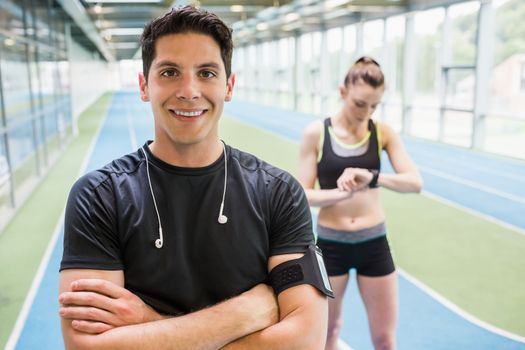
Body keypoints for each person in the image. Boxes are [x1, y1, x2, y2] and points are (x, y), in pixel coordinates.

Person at [58, 6, 330, 350]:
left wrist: (146, 323)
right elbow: (86, 346)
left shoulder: (279, 193)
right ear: (144, 86)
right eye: (170, 72)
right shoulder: (99, 196)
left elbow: (305, 342)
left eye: (206, 73)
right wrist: (244, 314)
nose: (189, 90)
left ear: (228, 86)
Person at [298, 56, 423, 350]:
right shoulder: (317, 133)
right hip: (331, 245)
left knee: (383, 339)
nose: (366, 112)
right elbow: (302, 192)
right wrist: (338, 195)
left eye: (374, 106)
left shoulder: (382, 133)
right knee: (327, 333)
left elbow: (415, 182)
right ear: (343, 92)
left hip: (374, 243)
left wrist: (373, 177)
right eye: (359, 103)